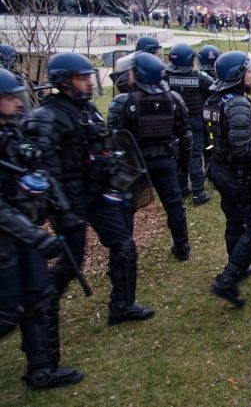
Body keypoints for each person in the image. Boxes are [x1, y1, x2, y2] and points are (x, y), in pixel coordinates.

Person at [23, 53, 155, 327]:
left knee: (123, 245)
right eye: (81, 78)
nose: (88, 83)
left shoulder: (88, 109)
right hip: (68, 201)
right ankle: (38, 309)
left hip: (97, 193)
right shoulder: (46, 117)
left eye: (88, 77)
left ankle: (122, 305)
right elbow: (45, 170)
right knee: (72, 262)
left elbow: (104, 143)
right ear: (64, 81)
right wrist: (64, 210)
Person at [0, 69, 84, 390]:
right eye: (9, 98)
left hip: (26, 236)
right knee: (6, 314)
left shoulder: (13, 133)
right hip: (6, 244)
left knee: (39, 297)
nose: (17, 103)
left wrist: (62, 209)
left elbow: (41, 175)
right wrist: (36, 236)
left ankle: (42, 369)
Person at [203, 51, 251, 306]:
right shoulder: (238, 104)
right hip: (238, 176)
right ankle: (227, 279)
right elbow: (243, 150)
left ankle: (239, 264)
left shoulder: (215, 100)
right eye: (248, 71)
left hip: (220, 170)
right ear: (237, 75)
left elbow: (229, 139)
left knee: (235, 221)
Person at [107, 53, 193, 260]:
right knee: (174, 206)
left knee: (127, 210)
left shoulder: (123, 102)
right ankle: (182, 249)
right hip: (165, 162)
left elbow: (111, 140)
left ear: (137, 74)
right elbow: (186, 136)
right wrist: (183, 166)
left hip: (135, 166)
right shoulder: (173, 99)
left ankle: (126, 254)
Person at [165, 43, 215, 205]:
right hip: (194, 121)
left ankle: (181, 189)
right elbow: (214, 89)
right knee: (194, 156)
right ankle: (198, 193)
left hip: (174, 122)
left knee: (179, 155)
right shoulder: (198, 77)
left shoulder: (165, 75)